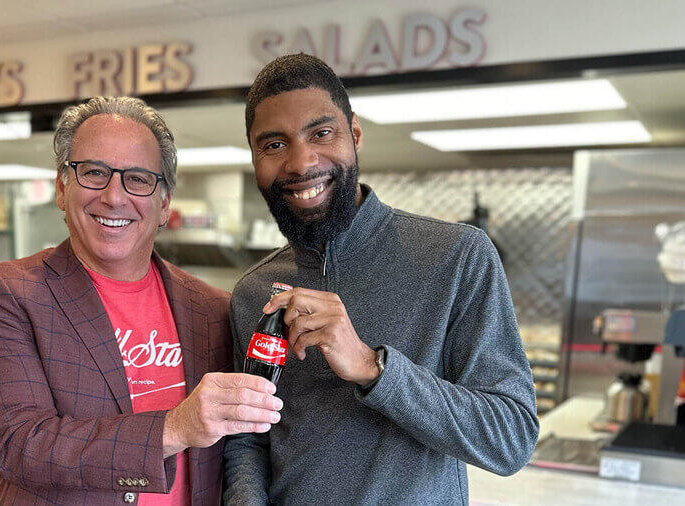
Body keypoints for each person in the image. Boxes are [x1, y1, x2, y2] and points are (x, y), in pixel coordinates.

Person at [224, 54, 538, 505]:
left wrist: (374, 368)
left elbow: (511, 438)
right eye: (273, 145)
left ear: (354, 134)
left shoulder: (456, 257)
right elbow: (248, 436)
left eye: (321, 133)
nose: (300, 162)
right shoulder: (253, 292)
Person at [0, 97, 282, 505]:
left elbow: (242, 448)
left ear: (164, 203)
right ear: (62, 187)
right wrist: (174, 427)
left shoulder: (212, 308)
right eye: (94, 172)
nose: (114, 197)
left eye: (138, 178)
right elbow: (21, 445)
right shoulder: (5, 293)